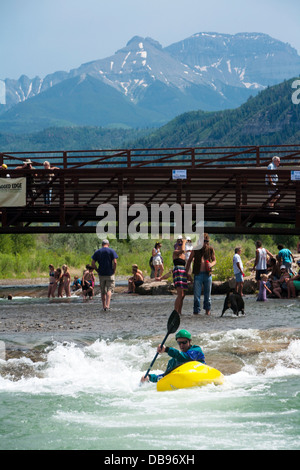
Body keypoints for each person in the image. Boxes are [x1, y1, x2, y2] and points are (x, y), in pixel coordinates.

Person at [140, 329, 205, 384]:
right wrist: (150, 377)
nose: (181, 345)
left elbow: (185, 358)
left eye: (184, 342)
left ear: (190, 341)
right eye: (179, 343)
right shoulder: (173, 361)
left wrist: (166, 349)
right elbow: (164, 377)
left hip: (201, 373)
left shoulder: (196, 350)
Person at [186, 233, 216, 316]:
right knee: (196, 296)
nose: (205, 243)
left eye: (206, 241)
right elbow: (189, 261)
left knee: (208, 296)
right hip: (198, 275)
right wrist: (186, 273)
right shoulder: (195, 249)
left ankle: (207, 312)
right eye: (203, 241)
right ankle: (196, 312)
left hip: (208, 275)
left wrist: (211, 264)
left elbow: (214, 260)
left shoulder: (210, 249)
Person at [91, 239, 118, 311]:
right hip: (110, 273)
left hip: (101, 274)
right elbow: (115, 262)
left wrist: (97, 270)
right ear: (108, 244)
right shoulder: (112, 251)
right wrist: (114, 270)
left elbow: (93, 263)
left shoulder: (97, 252)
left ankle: (103, 306)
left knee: (103, 291)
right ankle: (107, 306)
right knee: (109, 289)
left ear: (102, 244)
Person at [172, 238, 188, 315]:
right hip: (178, 272)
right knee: (179, 294)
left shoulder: (183, 256)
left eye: (181, 242)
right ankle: (175, 311)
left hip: (183, 273)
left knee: (183, 295)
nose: (181, 244)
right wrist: (184, 242)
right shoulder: (175, 252)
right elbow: (182, 250)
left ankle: (180, 312)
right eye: (179, 242)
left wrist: (188, 276)